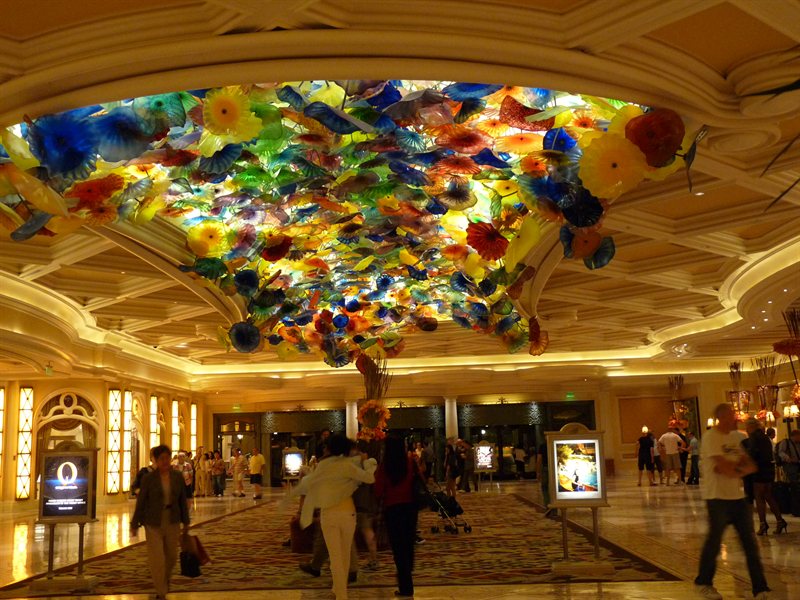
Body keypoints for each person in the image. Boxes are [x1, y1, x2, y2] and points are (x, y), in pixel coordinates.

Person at [694, 404, 771, 600]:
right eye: (731, 416)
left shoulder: (736, 437)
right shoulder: (711, 437)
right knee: (714, 543)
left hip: (737, 498)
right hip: (717, 498)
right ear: (721, 418)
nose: (735, 419)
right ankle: (704, 582)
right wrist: (735, 468)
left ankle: (760, 588)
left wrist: (733, 468)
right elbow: (725, 468)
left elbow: (751, 466)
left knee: (750, 544)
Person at [292, 434, 376, 600]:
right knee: (344, 556)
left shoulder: (323, 465)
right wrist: (368, 463)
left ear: (329, 449)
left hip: (329, 514)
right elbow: (369, 478)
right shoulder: (348, 465)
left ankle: (340, 594)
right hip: (348, 513)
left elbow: (311, 483)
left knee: (335, 557)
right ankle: (339, 591)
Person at [130, 445, 190, 600]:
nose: (165, 461)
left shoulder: (177, 476)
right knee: (157, 558)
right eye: (161, 458)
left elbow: (182, 500)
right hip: (153, 521)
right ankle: (161, 591)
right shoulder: (148, 479)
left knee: (171, 556)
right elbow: (141, 502)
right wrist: (134, 523)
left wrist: (186, 522)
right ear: (156, 460)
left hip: (172, 520)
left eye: (167, 458)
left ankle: (164, 580)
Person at [375, 434, 419, 599]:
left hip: (393, 510)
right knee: (408, 544)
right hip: (410, 508)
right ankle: (407, 575)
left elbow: (378, 490)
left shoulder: (385, 466)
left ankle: (405, 584)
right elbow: (420, 480)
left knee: (398, 548)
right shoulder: (410, 462)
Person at [744, 418, 787, 535]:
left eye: (746, 427)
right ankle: (780, 521)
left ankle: (763, 524)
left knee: (759, 497)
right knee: (769, 496)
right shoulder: (765, 437)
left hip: (759, 470)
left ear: (751, 427)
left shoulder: (754, 437)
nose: (746, 430)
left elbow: (752, 454)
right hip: (768, 470)